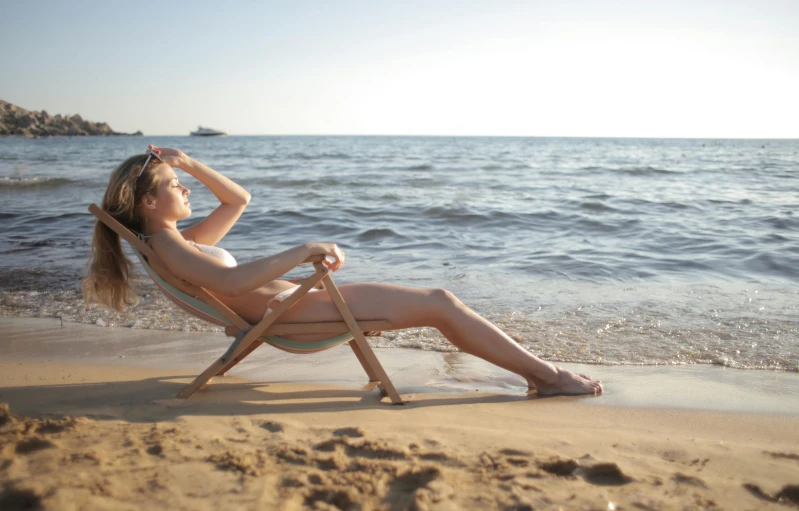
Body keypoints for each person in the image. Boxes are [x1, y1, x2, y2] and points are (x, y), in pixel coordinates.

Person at [83, 145, 603, 396]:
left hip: (300, 305)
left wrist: (190, 162)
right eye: (177, 184)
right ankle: (547, 376)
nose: (187, 189)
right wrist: (304, 248)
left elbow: (239, 199)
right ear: (150, 202)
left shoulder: (173, 243)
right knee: (441, 303)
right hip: (300, 313)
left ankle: (543, 374)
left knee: (439, 302)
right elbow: (233, 283)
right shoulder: (173, 248)